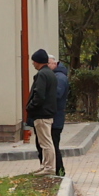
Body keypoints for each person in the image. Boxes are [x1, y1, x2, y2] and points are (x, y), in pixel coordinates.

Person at [25, 48, 61, 177]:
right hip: (48, 112)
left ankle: (49, 167)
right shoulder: (50, 74)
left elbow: (39, 95)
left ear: (38, 61)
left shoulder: (42, 75)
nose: (32, 64)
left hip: (42, 113)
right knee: (45, 141)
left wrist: (31, 107)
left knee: (45, 142)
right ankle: (46, 165)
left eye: (33, 61)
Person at [50, 54, 71, 176]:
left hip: (56, 118)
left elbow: (57, 95)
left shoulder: (59, 78)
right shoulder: (57, 76)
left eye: (48, 64)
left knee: (53, 145)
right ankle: (57, 170)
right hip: (56, 117)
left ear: (54, 63)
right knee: (52, 144)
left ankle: (59, 170)